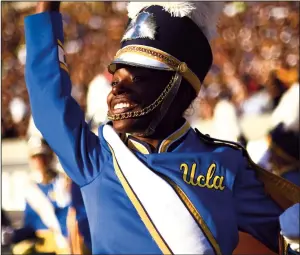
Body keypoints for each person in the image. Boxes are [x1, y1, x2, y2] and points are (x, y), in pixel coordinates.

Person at [24, 2, 299, 254]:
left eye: (138, 77)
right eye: (115, 80)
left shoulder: (227, 162)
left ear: (180, 90)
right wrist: (46, 8)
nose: (118, 89)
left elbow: (282, 237)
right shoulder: (97, 158)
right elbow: (49, 104)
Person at [2, 136, 71, 254]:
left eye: (42, 156)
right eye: (35, 157)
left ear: (50, 157)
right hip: (38, 239)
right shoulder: (29, 187)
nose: (39, 161)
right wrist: (12, 235)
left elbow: (68, 215)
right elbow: (30, 224)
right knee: (19, 250)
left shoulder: (61, 182)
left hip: (61, 238)